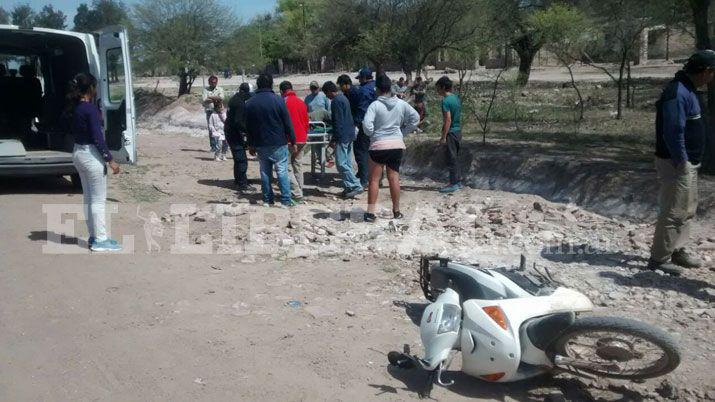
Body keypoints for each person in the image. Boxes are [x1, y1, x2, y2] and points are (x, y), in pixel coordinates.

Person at [647, 50, 715, 276]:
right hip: (676, 163)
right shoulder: (677, 93)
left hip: (688, 162)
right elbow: (673, 131)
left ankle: (678, 250)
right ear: (706, 71)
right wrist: (682, 160)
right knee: (674, 211)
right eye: (712, 72)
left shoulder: (689, 89)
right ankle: (659, 259)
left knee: (687, 209)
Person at [66, 72, 122, 251]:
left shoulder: (75, 107)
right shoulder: (89, 109)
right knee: (98, 200)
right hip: (90, 155)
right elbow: (98, 138)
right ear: (91, 88)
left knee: (89, 198)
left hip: (78, 153)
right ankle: (101, 239)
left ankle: (93, 236)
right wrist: (110, 160)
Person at [362, 74, 419, 223]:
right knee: (394, 177)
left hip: (378, 145)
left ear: (377, 89)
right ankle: (397, 211)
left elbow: (367, 125)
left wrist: (372, 134)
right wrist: (402, 133)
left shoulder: (375, 105)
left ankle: (370, 213)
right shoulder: (401, 104)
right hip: (396, 145)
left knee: (374, 180)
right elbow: (415, 118)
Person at [245, 74, 298, 208]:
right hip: (278, 142)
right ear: (271, 84)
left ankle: (267, 200)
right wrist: (293, 141)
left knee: (264, 172)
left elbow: (249, 126)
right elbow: (287, 123)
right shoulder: (279, 100)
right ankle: (286, 200)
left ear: (258, 84)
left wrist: (250, 144)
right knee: (282, 171)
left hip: (260, 143)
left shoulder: (250, 102)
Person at [322, 81, 363, 198]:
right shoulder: (343, 98)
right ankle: (348, 187)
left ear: (330, 91)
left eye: (326, 93)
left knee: (341, 164)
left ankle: (356, 185)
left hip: (343, 136)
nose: (326, 96)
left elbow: (338, 122)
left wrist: (334, 139)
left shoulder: (336, 101)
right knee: (347, 163)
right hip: (349, 134)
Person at [279, 80, 310, 202]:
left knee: (286, 167)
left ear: (282, 91)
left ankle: (296, 193)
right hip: (302, 138)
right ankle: (300, 190)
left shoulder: (283, 102)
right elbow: (306, 121)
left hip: (289, 140)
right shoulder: (301, 102)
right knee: (298, 165)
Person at [436, 76, 464, 193]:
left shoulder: (445, 101)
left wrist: (443, 136)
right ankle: (457, 181)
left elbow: (448, 119)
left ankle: (454, 183)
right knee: (455, 157)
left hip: (451, 132)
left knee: (451, 158)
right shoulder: (456, 98)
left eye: (438, 88)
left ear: (443, 87)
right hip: (458, 131)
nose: (437, 91)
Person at [226, 83, 254, 191]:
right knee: (241, 159)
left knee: (238, 159)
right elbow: (238, 122)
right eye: (249, 94)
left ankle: (239, 179)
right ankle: (242, 184)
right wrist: (248, 131)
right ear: (244, 92)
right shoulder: (239, 103)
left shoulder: (234, 99)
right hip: (233, 133)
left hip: (230, 132)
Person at [352, 68, 377, 188]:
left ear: (364, 78)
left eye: (360, 79)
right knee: (374, 151)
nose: (360, 81)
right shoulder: (378, 86)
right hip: (379, 124)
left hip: (365, 124)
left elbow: (362, 109)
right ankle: (377, 177)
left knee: (361, 151)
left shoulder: (364, 90)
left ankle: (364, 179)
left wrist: (356, 124)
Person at [202, 75, 224, 153]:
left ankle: (223, 147)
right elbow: (204, 100)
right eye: (211, 82)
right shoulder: (205, 90)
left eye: (215, 82)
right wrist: (216, 98)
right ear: (209, 82)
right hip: (209, 111)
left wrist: (210, 97)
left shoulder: (220, 89)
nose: (213, 83)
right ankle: (213, 147)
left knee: (221, 128)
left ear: (217, 82)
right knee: (211, 129)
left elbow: (221, 98)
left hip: (219, 111)